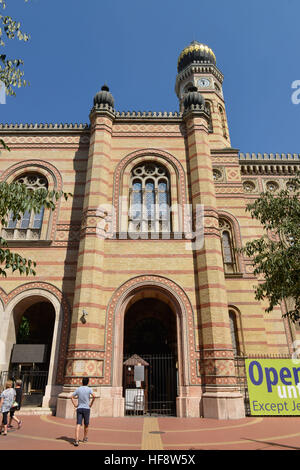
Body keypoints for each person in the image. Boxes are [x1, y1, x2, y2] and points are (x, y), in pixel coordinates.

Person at [71, 377, 95, 447]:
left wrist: (75, 404)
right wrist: (91, 404)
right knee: (86, 424)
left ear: (82, 382)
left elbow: (71, 397)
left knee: (78, 424)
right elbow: (94, 396)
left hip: (79, 408)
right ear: (88, 382)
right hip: (87, 409)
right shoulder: (89, 389)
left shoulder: (78, 389)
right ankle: (85, 438)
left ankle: (76, 440)